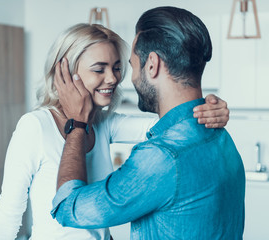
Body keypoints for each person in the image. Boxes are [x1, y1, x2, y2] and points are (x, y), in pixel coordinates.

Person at [0, 23, 230, 240]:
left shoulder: (104, 123)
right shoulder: (35, 126)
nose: (112, 78)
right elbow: (8, 215)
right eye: (99, 69)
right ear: (67, 75)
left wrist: (208, 109)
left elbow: (173, 124)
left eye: (116, 67)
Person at [51, 7, 245, 240]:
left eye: (132, 66)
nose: (124, 79)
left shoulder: (161, 157)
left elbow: (68, 207)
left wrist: (77, 125)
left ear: (152, 64)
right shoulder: (222, 138)